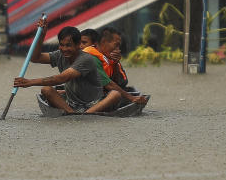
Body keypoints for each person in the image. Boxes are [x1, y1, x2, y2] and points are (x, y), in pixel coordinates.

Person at [13, 25, 145, 114]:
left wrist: (29, 82)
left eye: (69, 45)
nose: (64, 49)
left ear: (78, 45)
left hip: (94, 103)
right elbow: (35, 57)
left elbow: (62, 78)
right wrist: (42, 35)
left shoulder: (86, 59)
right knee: (46, 90)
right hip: (72, 103)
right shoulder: (60, 54)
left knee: (115, 95)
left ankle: (87, 115)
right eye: (62, 45)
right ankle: (71, 113)